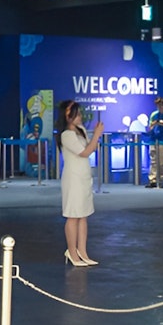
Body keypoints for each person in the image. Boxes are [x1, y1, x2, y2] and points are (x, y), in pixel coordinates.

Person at [57, 100, 104, 267]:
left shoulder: (81, 130)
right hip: (73, 179)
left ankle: (82, 251)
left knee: (83, 215)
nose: (80, 117)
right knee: (73, 215)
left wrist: (94, 139)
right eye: (76, 114)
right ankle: (71, 251)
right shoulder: (66, 135)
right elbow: (84, 152)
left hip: (84, 177)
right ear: (67, 116)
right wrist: (97, 135)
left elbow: (91, 147)